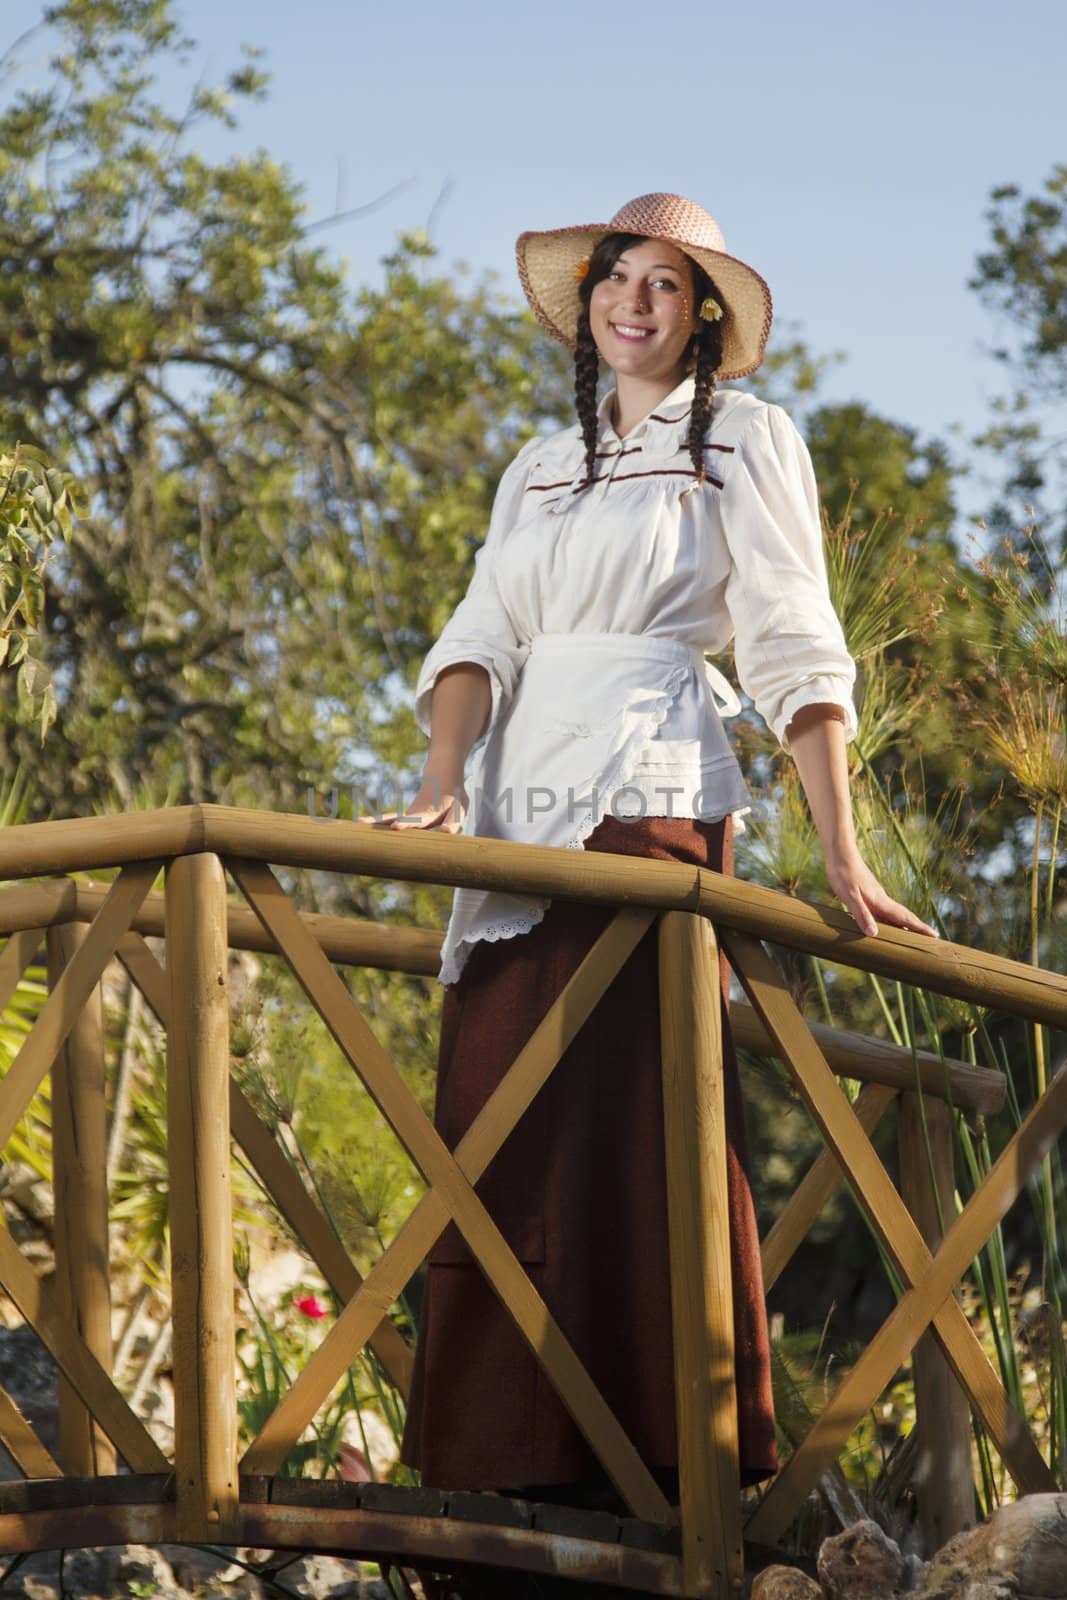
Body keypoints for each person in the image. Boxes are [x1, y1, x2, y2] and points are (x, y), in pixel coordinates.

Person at [359, 192, 938, 1546]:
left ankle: (665, 1469)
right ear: (588, 305)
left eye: (667, 285)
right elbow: (480, 633)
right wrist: (442, 794)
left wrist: (839, 853)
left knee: (630, 1109)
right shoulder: (535, 463)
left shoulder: (747, 436)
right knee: (498, 1108)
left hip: (648, 793)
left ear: (706, 315)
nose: (635, 301)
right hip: (514, 810)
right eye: (618, 278)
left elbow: (794, 636)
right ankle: (498, 1466)